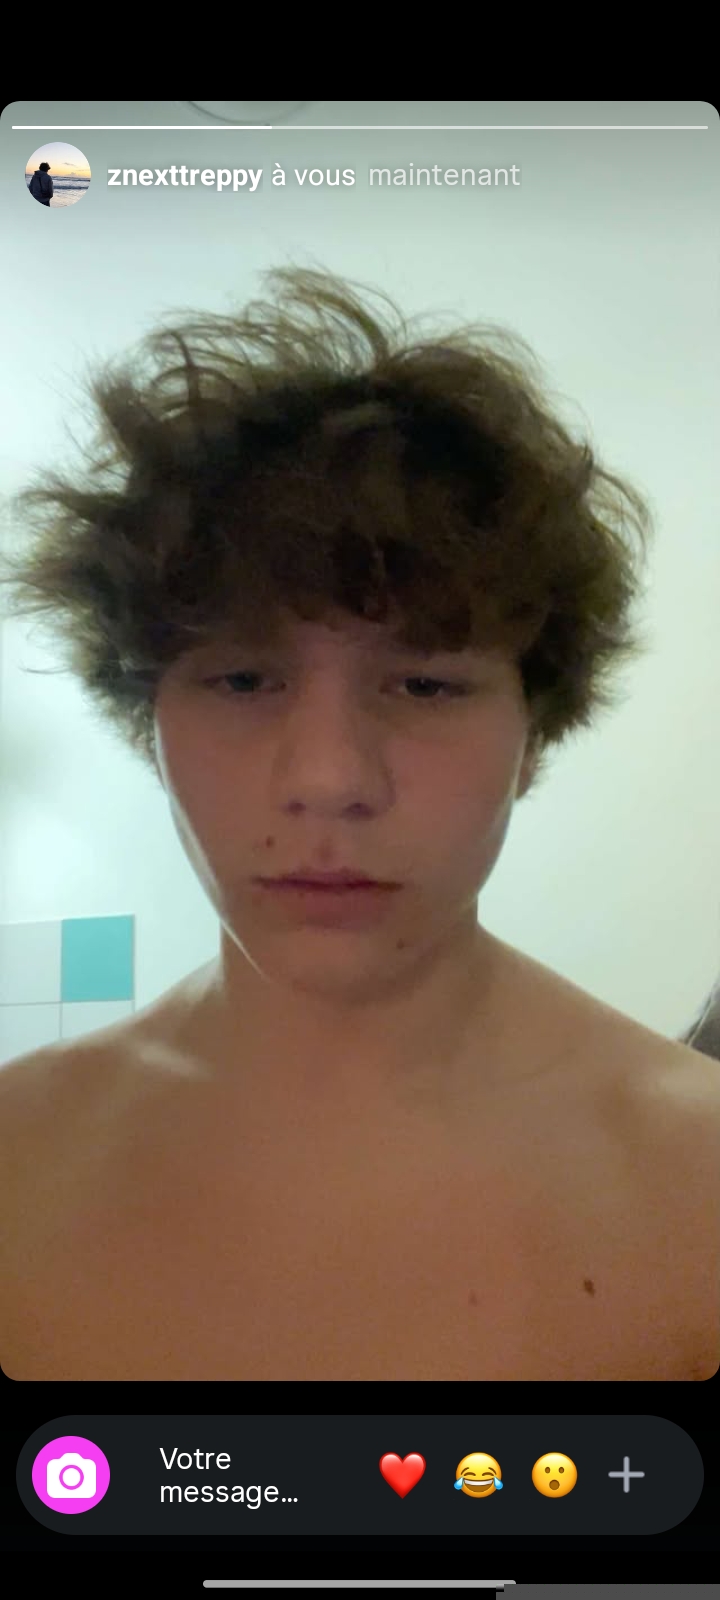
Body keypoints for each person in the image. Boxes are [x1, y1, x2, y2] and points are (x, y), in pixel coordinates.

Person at [0, 264, 717, 1382]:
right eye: (243, 680)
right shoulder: (21, 1160)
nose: (330, 779)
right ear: (149, 721)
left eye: (425, 684)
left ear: (535, 731)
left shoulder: (696, 1178)